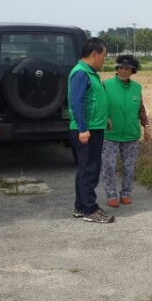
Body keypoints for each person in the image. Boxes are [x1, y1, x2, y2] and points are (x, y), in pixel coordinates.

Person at [68, 38, 114, 223]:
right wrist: (83, 129)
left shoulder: (89, 73)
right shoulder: (81, 74)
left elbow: (92, 100)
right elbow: (76, 103)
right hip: (87, 130)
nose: (104, 59)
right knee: (90, 169)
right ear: (94, 54)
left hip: (95, 126)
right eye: (104, 55)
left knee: (85, 168)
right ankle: (90, 209)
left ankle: (80, 206)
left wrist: (105, 119)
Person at [101, 54, 150, 208]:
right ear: (117, 69)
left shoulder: (137, 88)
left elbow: (141, 108)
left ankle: (126, 194)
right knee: (109, 165)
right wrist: (104, 117)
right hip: (110, 133)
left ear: (132, 71)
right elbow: (98, 105)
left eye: (127, 69)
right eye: (121, 68)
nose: (123, 71)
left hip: (131, 133)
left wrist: (146, 126)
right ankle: (111, 195)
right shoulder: (106, 85)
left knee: (129, 166)